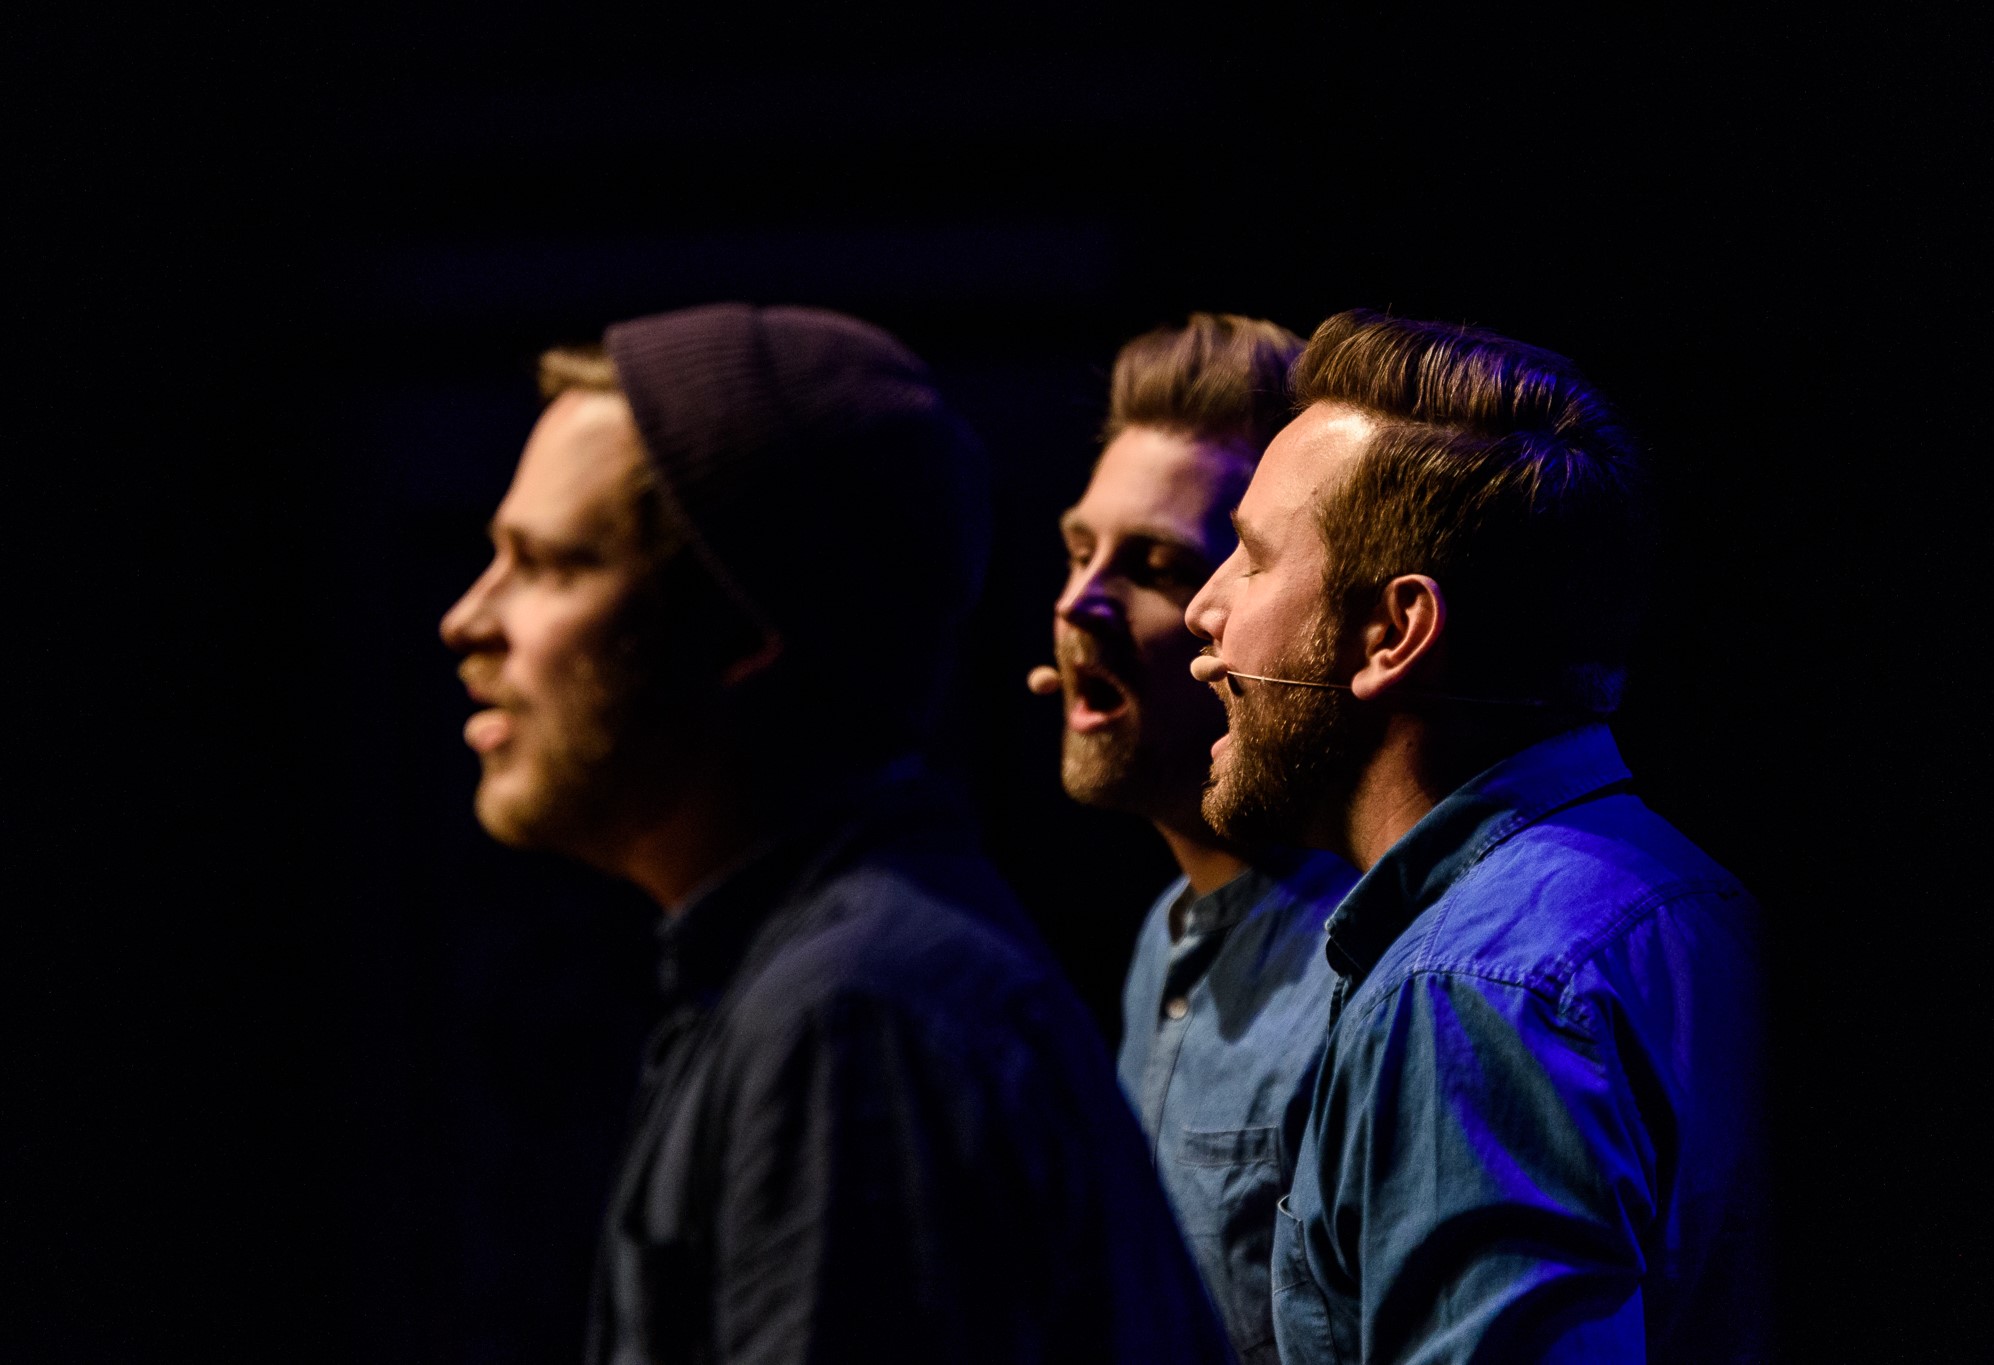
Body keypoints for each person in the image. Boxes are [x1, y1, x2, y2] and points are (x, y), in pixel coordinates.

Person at [439, 302, 1229, 1365]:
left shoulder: (856, 1020)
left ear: (736, 631)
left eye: (547, 564)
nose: (469, 619)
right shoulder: (817, 986)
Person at [1184, 311, 1766, 1363]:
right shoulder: (1695, 902)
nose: (1202, 607)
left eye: (1253, 557)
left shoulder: (1470, 992)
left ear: (1394, 632)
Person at [1031, 313, 1358, 1364]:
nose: (1079, 602)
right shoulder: (1159, 943)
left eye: (1155, 563)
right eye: (1078, 551)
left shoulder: (1367, 976)